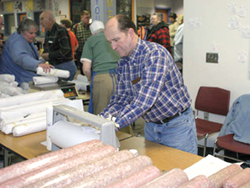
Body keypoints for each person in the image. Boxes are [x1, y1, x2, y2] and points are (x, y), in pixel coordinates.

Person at [101, 14, 197, 154]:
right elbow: (120, 98)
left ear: (130, 33)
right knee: (157, 170)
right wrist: (102, 119)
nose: (113, 47)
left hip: (176, 126)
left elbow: (144, 101)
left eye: (116, 40)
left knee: (184, 170)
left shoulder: (155, 54)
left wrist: (114, 124)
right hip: (152, 126)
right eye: (109, 42)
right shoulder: (123, 63)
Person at [80, 20, 120, 115]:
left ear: (92, 33)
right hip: (120, 77)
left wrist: (90, 79)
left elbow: (86, 68)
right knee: (120, 113)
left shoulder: (91, 40)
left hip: (102, 79)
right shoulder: (113, 38)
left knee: (102, 115)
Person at [0, 18, 53, 85]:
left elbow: (31, 56)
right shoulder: (17, 41)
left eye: (35, 33)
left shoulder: (26, 39)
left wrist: (42, 62)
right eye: (31, 33)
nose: (34, 36)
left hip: (21, 74)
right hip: (16, 77)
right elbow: (21, 57)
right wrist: (38, 64)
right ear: (22, 31)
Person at [40, 10, 77, 80]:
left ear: (50, 20)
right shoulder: (48, 32)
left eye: (42, 19)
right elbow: (47, 47)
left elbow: (65, 50)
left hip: (65, 66)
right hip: (54, 65)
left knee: (64, 89)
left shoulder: (61, 30)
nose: (40, 22)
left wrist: (49, 55)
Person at [73, 10, 92, 74]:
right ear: (82, 17)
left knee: (90, 70)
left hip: (90, 53)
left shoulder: (91, 27)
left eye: (89, 17)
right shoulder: (76, 27)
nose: (88, 19)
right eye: (86, 17)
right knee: (83, 71)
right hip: (80, 53)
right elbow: (73, 40)